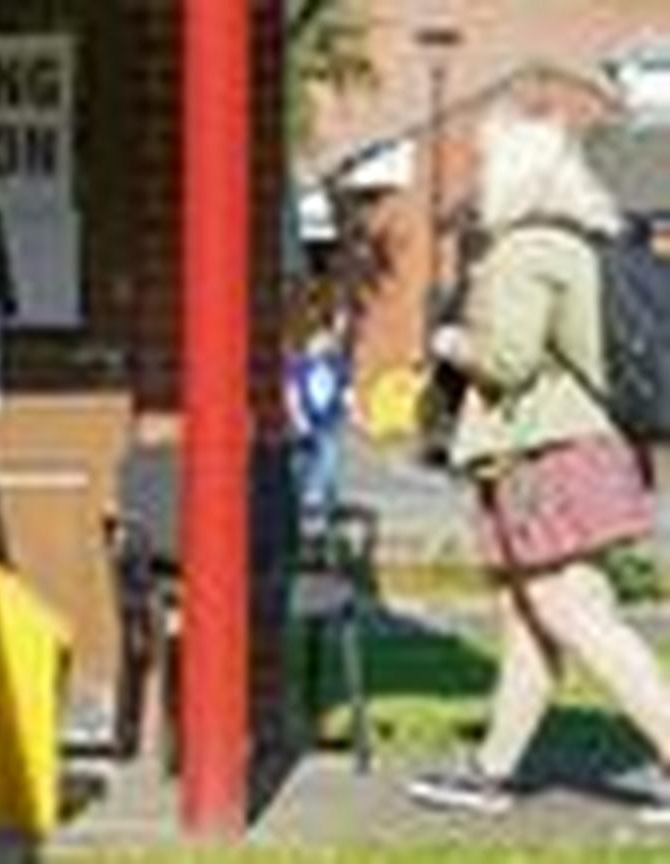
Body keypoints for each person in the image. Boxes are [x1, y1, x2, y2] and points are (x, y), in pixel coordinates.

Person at [407, 106, 670, 821]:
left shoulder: (525, 251)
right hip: (577, 450)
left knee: (574, 612)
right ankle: (491, 774)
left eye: (487, 163)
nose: (479, 177)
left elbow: (508, 361)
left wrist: (448, 341)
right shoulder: (578, 245)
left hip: (545, 456)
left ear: (513, 173)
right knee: (530, 616)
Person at [284, 278, 352, 543]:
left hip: (328, 423)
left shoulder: (336, 362)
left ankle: (319, 511)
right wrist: (298, 418)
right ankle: (301, 511)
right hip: (305, 424)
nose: (328, 343)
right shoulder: (299, 362)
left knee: (327, 464)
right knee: (300, 467)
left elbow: (345, 390)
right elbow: (292, 392)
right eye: (324, 337)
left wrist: (354, 411)